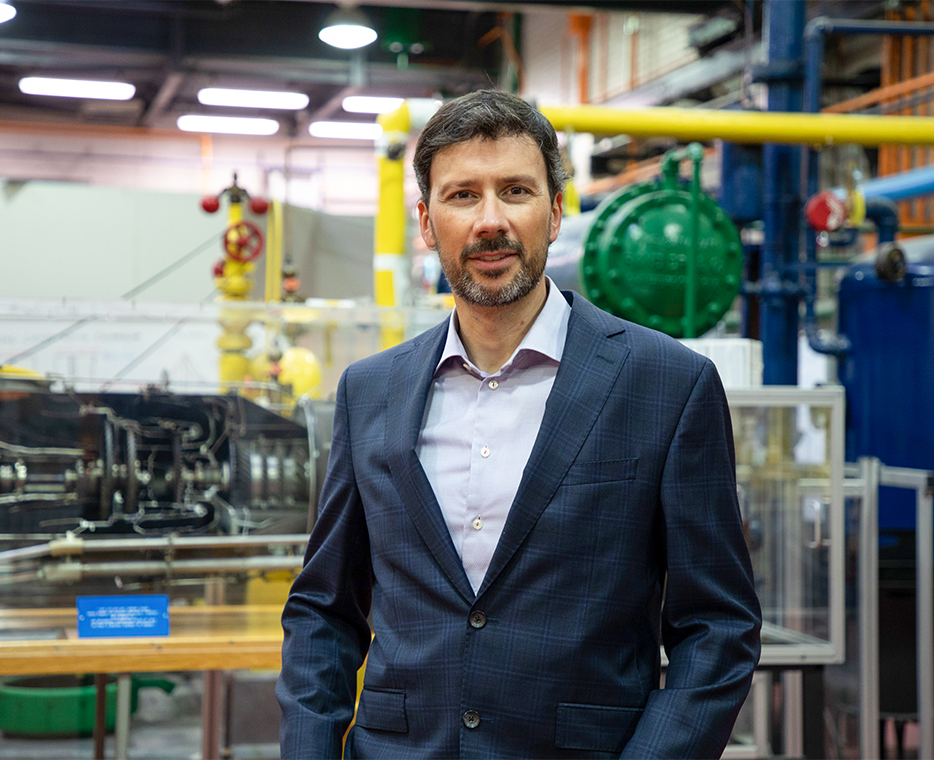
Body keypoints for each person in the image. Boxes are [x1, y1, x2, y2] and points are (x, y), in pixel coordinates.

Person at [276, 89, 761, 759]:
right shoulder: (371, 391)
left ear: (557, 211)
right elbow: (324, 612)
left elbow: (718, 627)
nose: (490, 222)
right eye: (462, 195)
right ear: (425, 221)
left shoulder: (667, 385)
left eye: (516, 191)